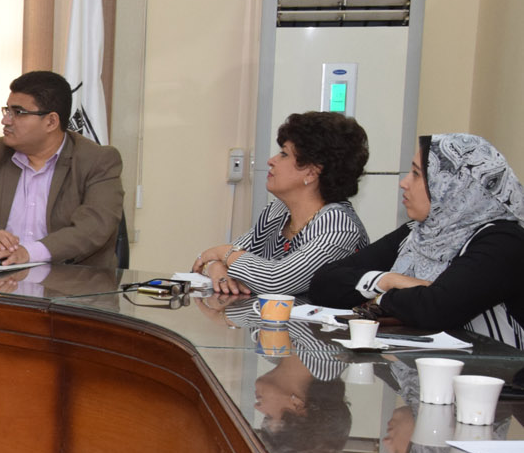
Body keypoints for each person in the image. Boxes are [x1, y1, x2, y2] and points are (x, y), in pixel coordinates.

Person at [308, 134, 524, 347]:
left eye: (416, 174)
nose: (404, 183)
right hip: (423, 362)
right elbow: (323, 282)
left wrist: (378, 299)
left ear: (456, 185)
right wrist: (389, 280)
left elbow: (437, 308)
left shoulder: (503, 240)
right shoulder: (418, 232)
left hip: (494, 367)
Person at [0, 70, 123, 267]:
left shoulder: (97, 160)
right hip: (0, 278)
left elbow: (94, 227)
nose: (5, 121)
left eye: (18, 113)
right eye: (7, 111)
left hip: (71, 280)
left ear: (51, 122)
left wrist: (29, 253)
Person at [192, 111, 370, 294]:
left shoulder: (338, 226)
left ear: (311, 172)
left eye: (284, 154)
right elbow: (216, 258)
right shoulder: (278, 210)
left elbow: (275, 281)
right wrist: (216, 267)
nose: (271, 161)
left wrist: (224, 254)